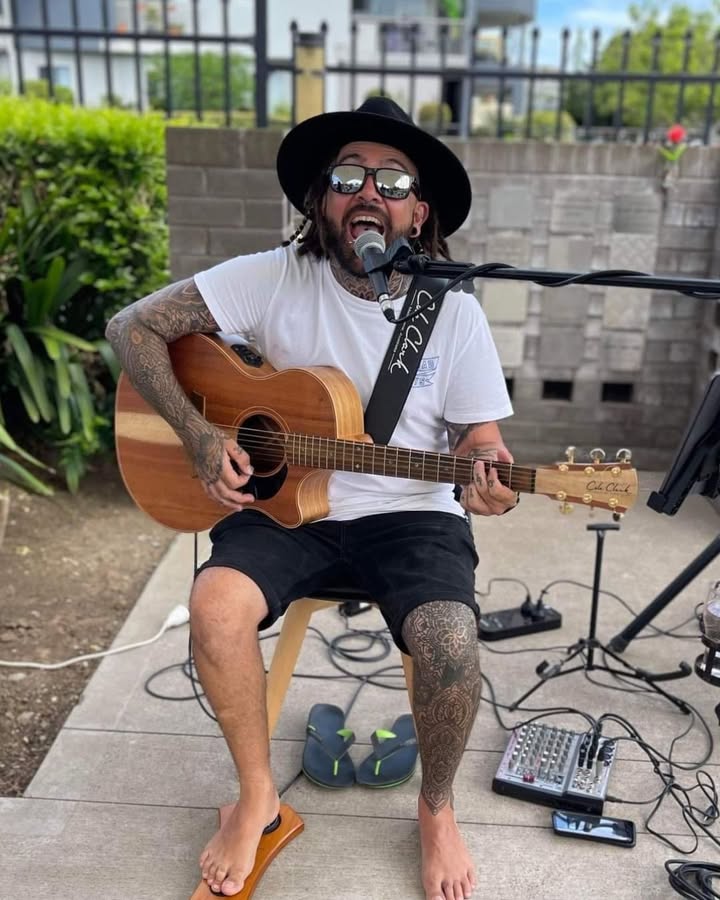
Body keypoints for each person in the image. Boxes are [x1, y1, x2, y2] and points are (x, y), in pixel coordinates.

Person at [106, 96, 517, 900]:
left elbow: (480, 439)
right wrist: (200, 436)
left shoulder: (454, 312)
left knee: (449, 638)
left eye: (393, 180)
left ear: (419, 212)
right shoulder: (270, 277)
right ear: (319, 198)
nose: (369, 191)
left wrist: (490, 473)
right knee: (215, 606)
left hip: (411, 515)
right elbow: (132, 328)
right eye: (349, 174)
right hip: (286, 511)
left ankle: (436, 810)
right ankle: (258, 797)